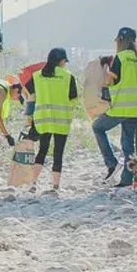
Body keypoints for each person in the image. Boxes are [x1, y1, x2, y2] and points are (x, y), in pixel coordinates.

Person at [92, 26, 137, 187]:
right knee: (129, 145)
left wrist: (105, 69)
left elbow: (110, 82)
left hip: (120, 107)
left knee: (97, 127)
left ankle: (112, 163)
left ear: (120, 40)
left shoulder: (120, 58)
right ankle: (128, 179)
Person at [28, 47, 79, 192]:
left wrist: (28, 116)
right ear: (61, 61)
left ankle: (33, 183)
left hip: (43, 119)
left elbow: (31, 97)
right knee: (58, 152)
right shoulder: (68, 76)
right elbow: (74, 100)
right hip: (62, 120)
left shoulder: (37, 75)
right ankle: (55, 185)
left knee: (42, 150)